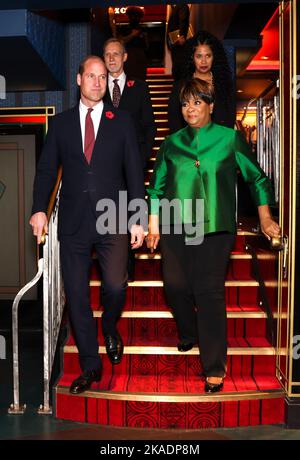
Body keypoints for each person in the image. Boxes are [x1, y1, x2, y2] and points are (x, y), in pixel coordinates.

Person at [146, 78, 280, 393]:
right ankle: (190, 332)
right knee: (176, 287)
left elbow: (258, 179)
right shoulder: (171, 143)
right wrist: (153, 224)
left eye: (197, 102)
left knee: (209, 293)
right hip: (175, 226)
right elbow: (156, 188)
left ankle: (214, 366)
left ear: (211, 105)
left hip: (215, 228)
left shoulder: (229, 139)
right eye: (185, 103)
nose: (190, 109)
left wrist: (265, 217)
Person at [29, 56, 145, 395]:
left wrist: (138, 218)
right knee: (77, 296)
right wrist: (39, 209)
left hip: (114, 218)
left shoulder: (121, 122)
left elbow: (135, 173)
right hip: (74, 223)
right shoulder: (61, 124)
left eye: (102, 76)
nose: (97, 81)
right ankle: (90, 366)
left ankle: (109, 325)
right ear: (79, 79)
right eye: (90, 75)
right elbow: (47, 171)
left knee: (115, 287)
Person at [103, 38, 156, 281]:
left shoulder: (140, 87)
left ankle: (129, 269)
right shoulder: (97, 88)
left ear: (125, 57)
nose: (112, 58)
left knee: (132, 214)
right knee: (110, 218)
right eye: (107, 54)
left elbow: (149, 127)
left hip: (133, 166)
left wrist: (140, 159)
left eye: (116, 54)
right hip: (106, 168)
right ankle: (115, 269)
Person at [168, 30, 235, 133]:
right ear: (192, 58)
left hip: (218, 144)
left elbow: (230, 118)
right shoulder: (180, 86)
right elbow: (174, 121)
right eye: (199, 56)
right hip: (189, 145)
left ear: (214, 57)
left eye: (208, 56)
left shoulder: (224, 85)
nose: (203, 61)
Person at [120, 6, 148, 81]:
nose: (135, 18)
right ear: (129, 16)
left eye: (138, 16)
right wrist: (132, 35)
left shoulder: (142, 29)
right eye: (133, 16)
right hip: (129, 56)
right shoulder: (125, 28)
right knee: (130, 78)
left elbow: (146, 46)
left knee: (141, 79)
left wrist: (144, 37)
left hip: (140, 56)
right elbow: (121, 41)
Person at [167, 4, 190, 81]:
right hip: (175, 43)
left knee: (179, 68)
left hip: (179, 42)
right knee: (177, 67)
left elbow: (183, 20)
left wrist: (181, 36)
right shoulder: (175, 7)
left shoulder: (182, 5)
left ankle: (179, 87)